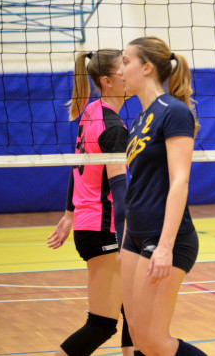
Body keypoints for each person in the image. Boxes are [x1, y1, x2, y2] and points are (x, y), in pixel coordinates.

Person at [118, 36, 206, 355]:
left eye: (125, 62)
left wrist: (165, 246)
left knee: (154, 340)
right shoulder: (139, 119)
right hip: (135, 235)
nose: (120, 69)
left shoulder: (174, 112)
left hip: (166, 237)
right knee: (138, 338)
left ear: (147, 68)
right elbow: (138, 183)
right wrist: (126, 238)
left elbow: (180, 180)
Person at [48, 49, 134, 356]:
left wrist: (69, 213)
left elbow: (79, 165)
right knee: (101, 325)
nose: (131, 71)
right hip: (104, 229)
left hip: (90, 224)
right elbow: (119, 190)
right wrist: (127, 237)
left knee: (133, 310)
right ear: (108, 80)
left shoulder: (92, 112)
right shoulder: (112, 127)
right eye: (124, 67)